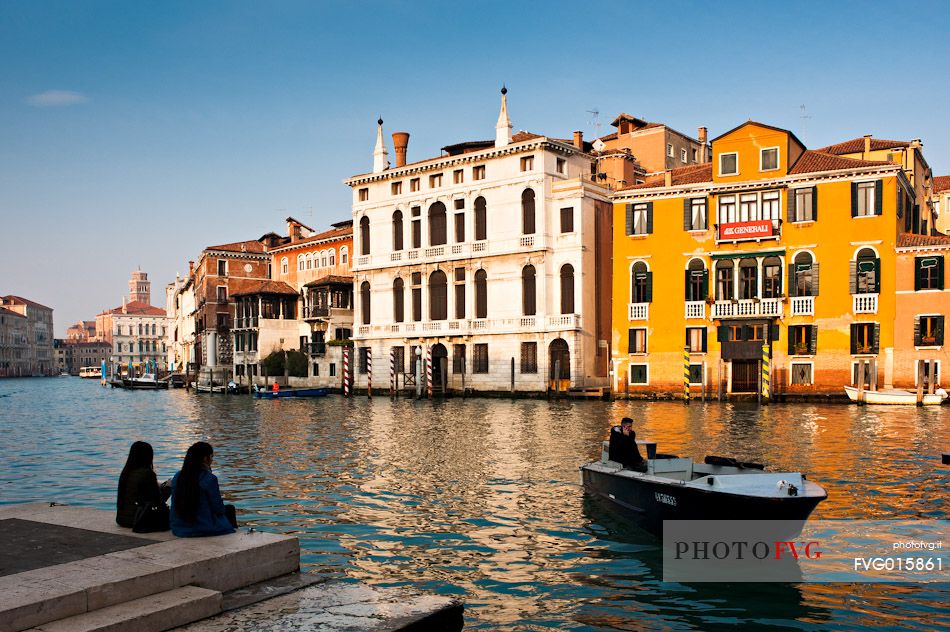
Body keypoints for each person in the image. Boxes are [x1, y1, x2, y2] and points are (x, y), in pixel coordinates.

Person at [170, 441, 237, 537]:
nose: (212, 461)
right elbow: (218, 509)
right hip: (202, 528)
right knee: (229, 510)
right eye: (211, 457)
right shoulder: (209, 478)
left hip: (178, 528)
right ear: (205, 458)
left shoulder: (178, 476)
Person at [116, 441, 170, 530]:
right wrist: (168, 488)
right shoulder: (148, 473)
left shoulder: (126, 473)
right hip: (139, 519)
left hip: (122, 519)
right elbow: (158, 502)